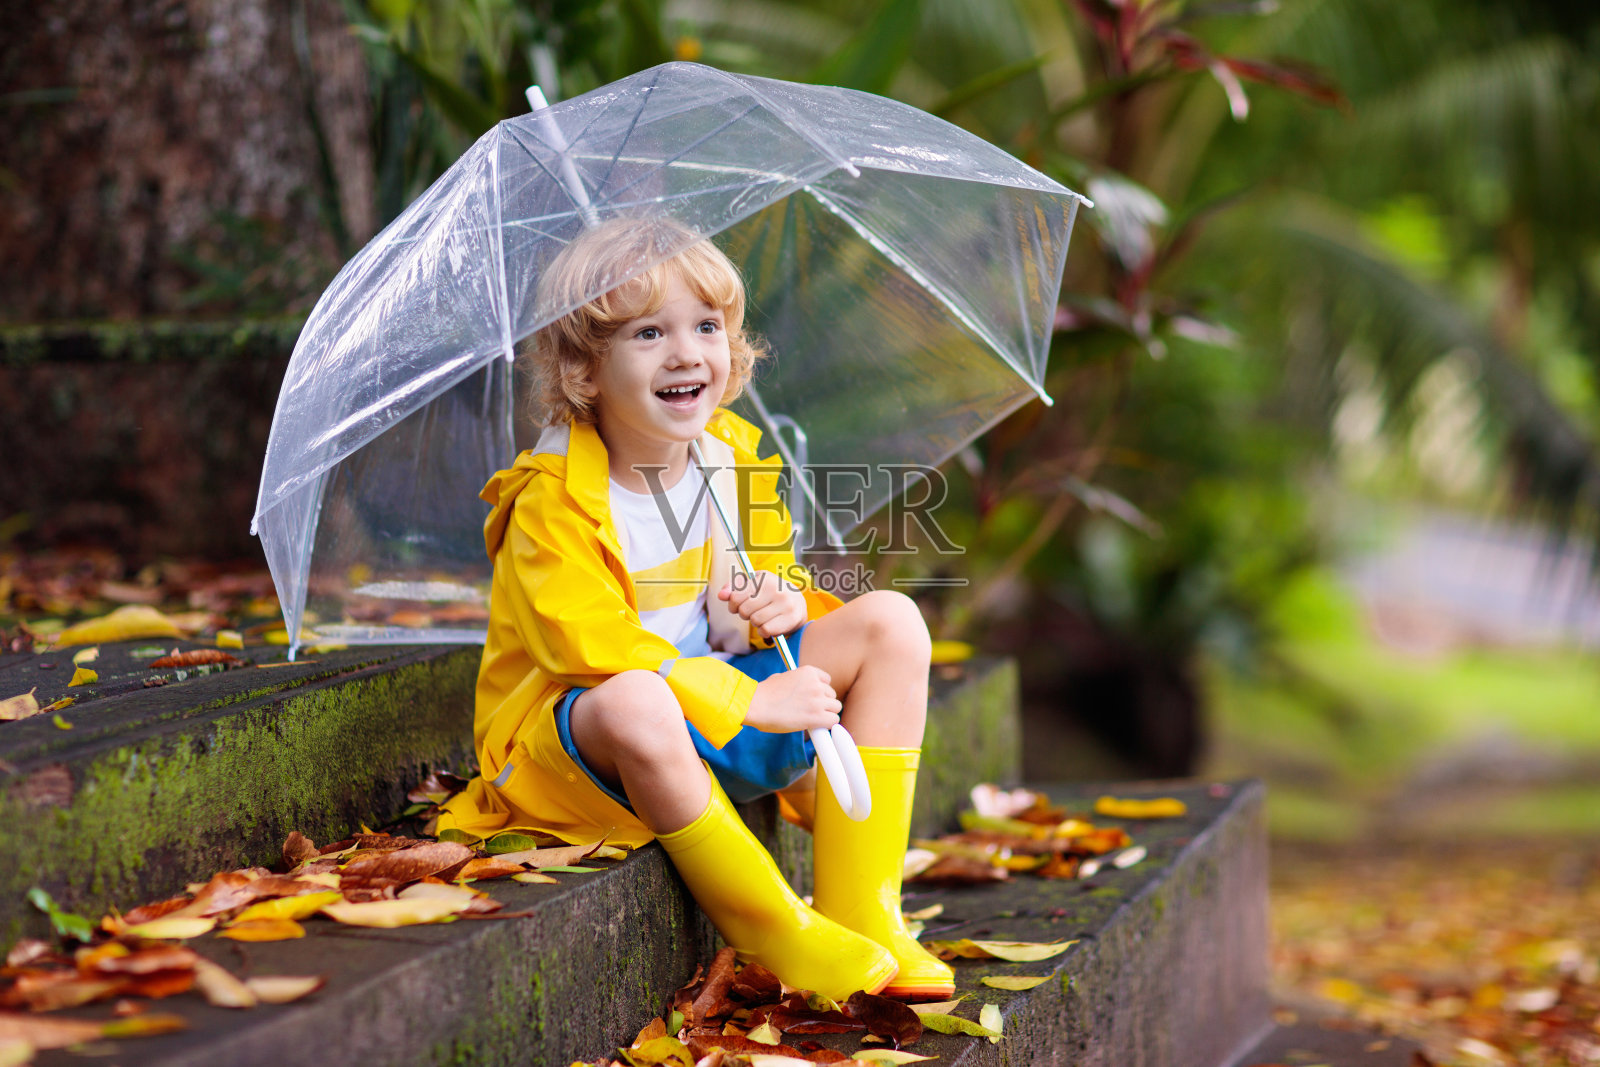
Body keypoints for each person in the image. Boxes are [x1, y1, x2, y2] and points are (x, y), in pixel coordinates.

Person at [439, 218, 954, 1002]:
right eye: (649, 332)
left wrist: (771, 602)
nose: (686, 353)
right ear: (583, 366)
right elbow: (591, 646)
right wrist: (749, 696)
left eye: (706, 326)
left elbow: (770, 572)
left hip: (723, 712)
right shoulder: (550, 499)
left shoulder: (730, 454)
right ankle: (774, 927)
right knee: (638, 696)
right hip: (596, 748)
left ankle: (865, 910)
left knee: (890, 622)